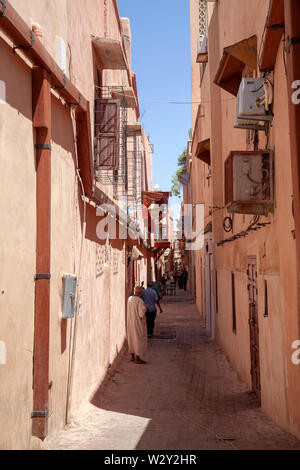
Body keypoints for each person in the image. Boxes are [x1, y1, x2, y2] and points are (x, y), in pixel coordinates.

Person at [127, 286, 148, 364]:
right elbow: (141, 313)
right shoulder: (139, 301)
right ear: (139, 293)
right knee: (138, 339)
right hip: (137, 323)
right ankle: (137, 357)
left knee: (132, 338)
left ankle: (132, 356)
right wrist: (146, 308)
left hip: (130, 322)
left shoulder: (129, 299)